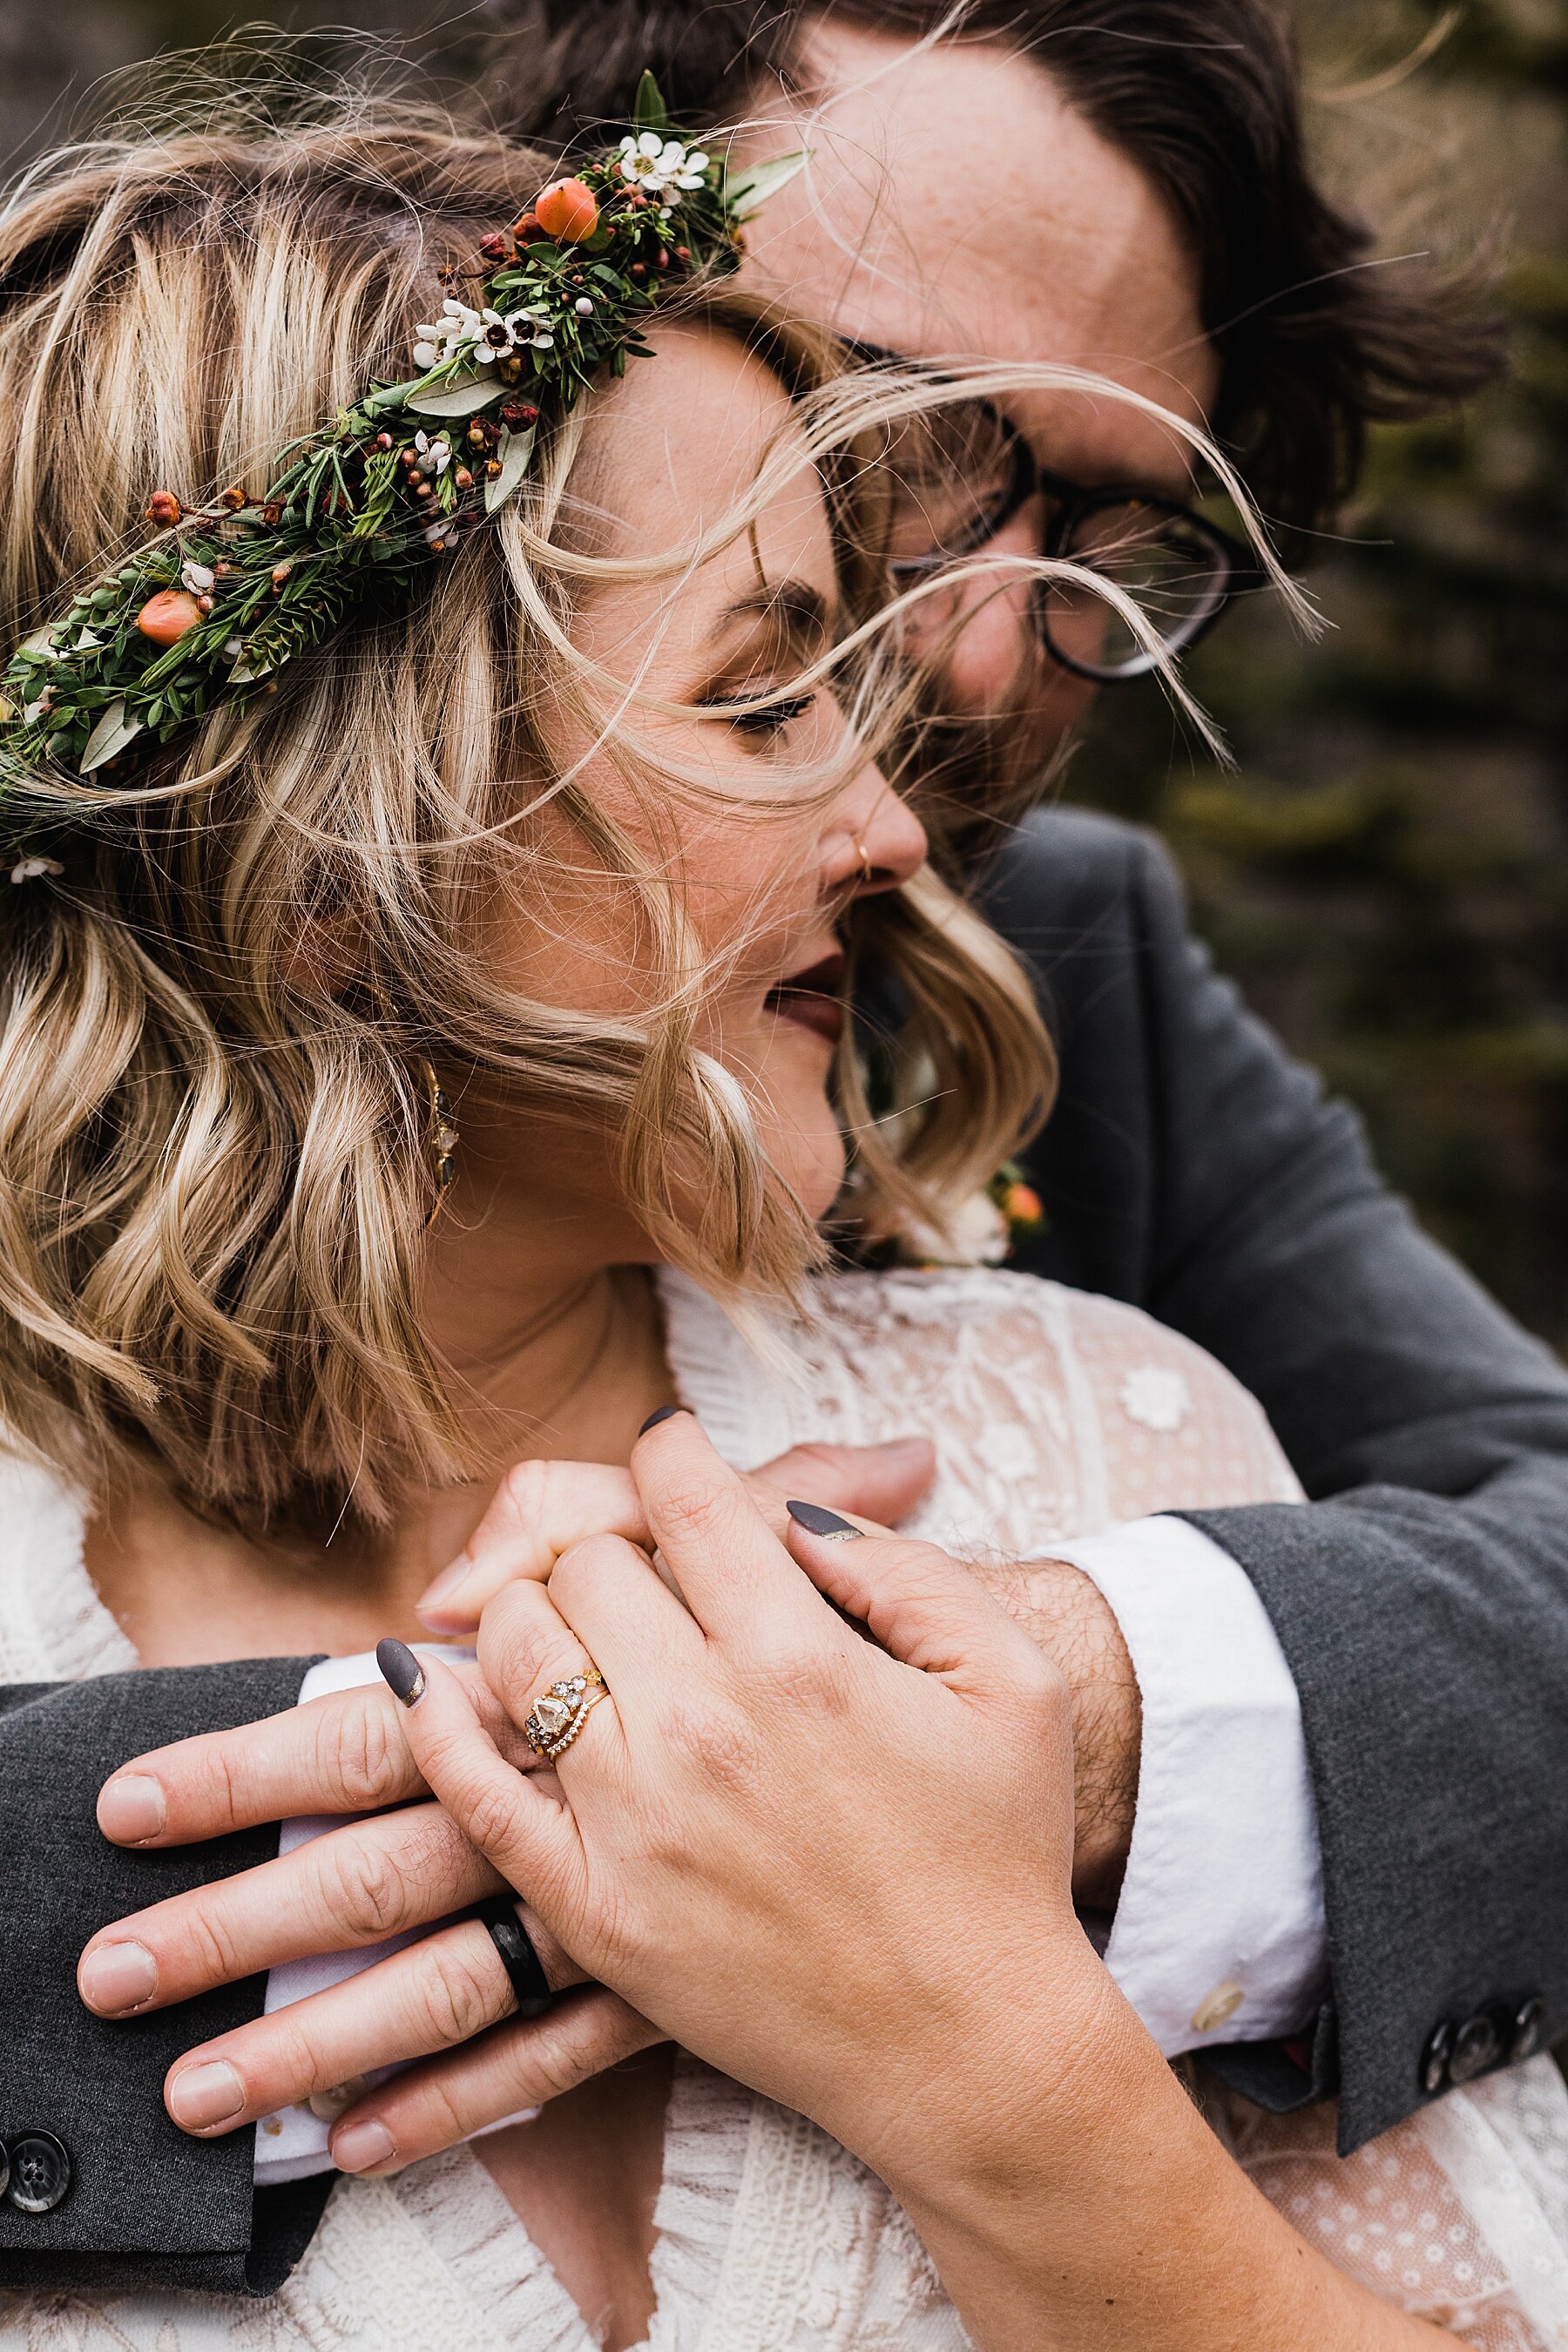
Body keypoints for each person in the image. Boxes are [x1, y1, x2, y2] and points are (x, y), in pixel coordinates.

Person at [5, 0, 1567, 2306]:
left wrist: (1049, 1723)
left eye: (1106, 529)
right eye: (901, 441)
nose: (973, 663)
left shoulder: (1084, 1266)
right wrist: (500, 1787)